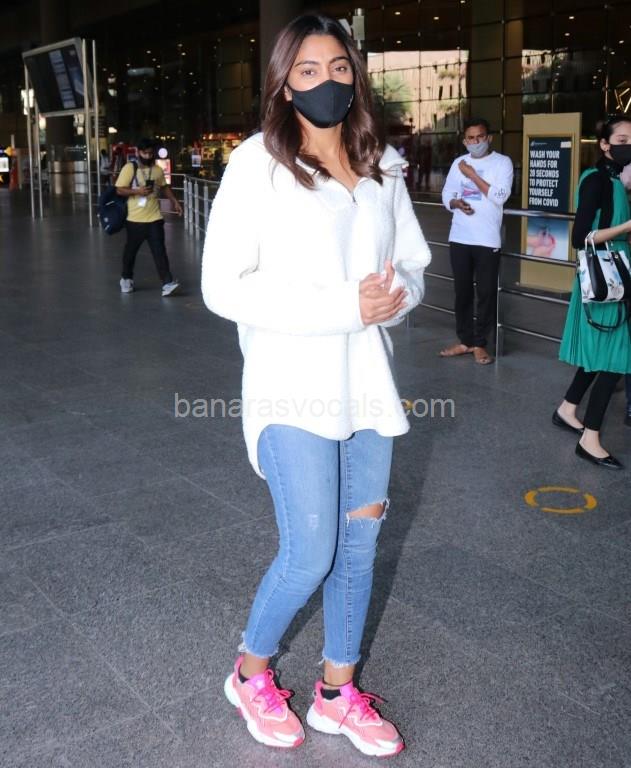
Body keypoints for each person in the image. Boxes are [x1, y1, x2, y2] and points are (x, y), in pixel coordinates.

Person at [201, 13, 431, 757]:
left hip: (367, 387)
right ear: (282, 83)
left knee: (358, 546)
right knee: (310, 552)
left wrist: (397, 296)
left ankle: (336, 692)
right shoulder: (256, 164)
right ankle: (250, 673)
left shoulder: (380, 164)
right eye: (307, 70)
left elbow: (413, 265)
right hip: (291, 384)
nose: (325, 81)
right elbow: (221, 286)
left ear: (354, 77)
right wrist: (343, 306)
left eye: (338, 68)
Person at [554, 116, 631, 469]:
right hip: (605, 279)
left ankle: (568, 408)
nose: (628, 145)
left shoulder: (615, 180)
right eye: (622, 139)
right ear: (604, 144)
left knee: (603, 353)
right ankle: (590, 439)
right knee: (616, 359)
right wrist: (627, 227)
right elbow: (580, 237)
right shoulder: (596, 179)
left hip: (615, 276)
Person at [439, 118, 514, 364]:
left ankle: (480, 344)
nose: (475, 142)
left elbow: (500, 196)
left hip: (487, 239)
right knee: (462, 292)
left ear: (489, 138)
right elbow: (447, 193)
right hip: (460, 236)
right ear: (465, 141)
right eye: (470, 138)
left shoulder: (502, 163)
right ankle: (465, 341)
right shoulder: (458, 163)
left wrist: (472, 174)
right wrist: (455, 203)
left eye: (480, 137)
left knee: (486, 293)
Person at [115, 138, 182, 296]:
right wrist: (137, 191)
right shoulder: (130, 168)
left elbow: (164, 187)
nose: (148, 156)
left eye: (150, 153)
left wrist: (175, 201)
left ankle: (167, 283)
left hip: (154, 219)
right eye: (145, 153)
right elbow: (119, 189)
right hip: (134, 220)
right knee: (130, 252)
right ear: (138, 152)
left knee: (160, 251)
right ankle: (126, 278)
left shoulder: (157, 170)